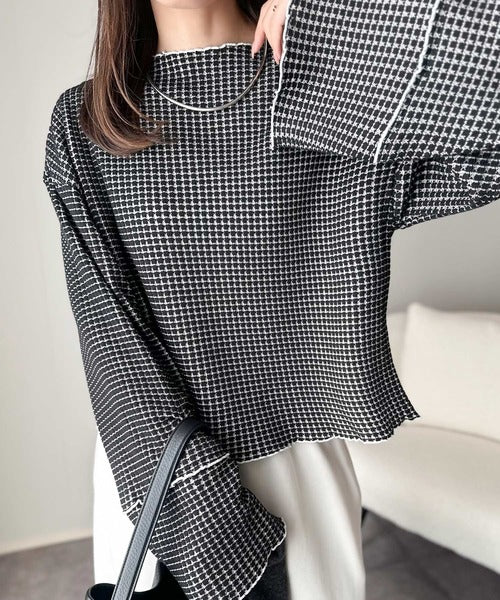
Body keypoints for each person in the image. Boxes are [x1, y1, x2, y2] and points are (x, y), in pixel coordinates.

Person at [43, 0, 499, 599]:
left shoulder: (329, 86)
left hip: (301, 469)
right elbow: (111, 345)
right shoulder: (86, 123)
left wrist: (336, 18)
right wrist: (203, 511)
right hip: (150, 469)